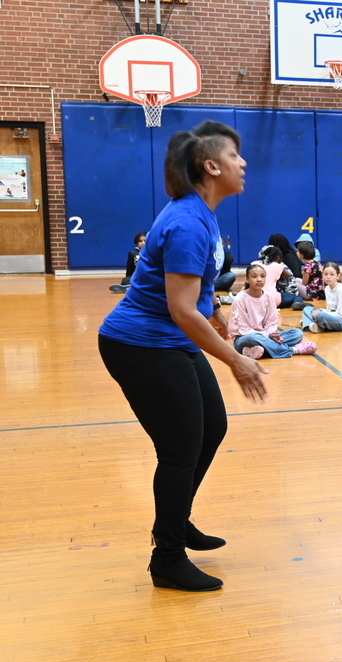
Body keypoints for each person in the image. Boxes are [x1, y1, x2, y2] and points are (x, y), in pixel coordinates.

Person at [97, 120, 268, 592]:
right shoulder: (189, 222)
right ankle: (167, 558)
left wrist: (218, 322)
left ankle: (176, 520)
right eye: (235, 156)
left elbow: (201, 296)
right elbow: (180, 309)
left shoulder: (203, 212)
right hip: (140, 344)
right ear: (211, 166)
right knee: (179, 450)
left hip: (170, 339)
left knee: (212, 427)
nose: (243, 163)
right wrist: (235, 358)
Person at [229, 264, 317, 359]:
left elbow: (271, 323)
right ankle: (293, 350)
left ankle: (253, 351)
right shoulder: (240, 299)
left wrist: (272, 334)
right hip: (244, 338)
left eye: (262, 276)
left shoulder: (269, 297)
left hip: (265, 336)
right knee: (254, 337)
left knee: (297, 334)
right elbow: (244, 329)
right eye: (254, 276)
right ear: (247, 279)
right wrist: (268, 336)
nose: (259, 279)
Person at [301, 262, 342, 333]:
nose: (328, 277)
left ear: (338, 276)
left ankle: (311, 323)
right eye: (326, 274)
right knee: (307, 309)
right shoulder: (327, 288)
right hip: (332, 317)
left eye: (332, 274)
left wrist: (321, 313)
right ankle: (312, 325)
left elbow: (341, 315)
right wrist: (323, 311)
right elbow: (329, 310)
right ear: (322, 275)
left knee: (320, 315)